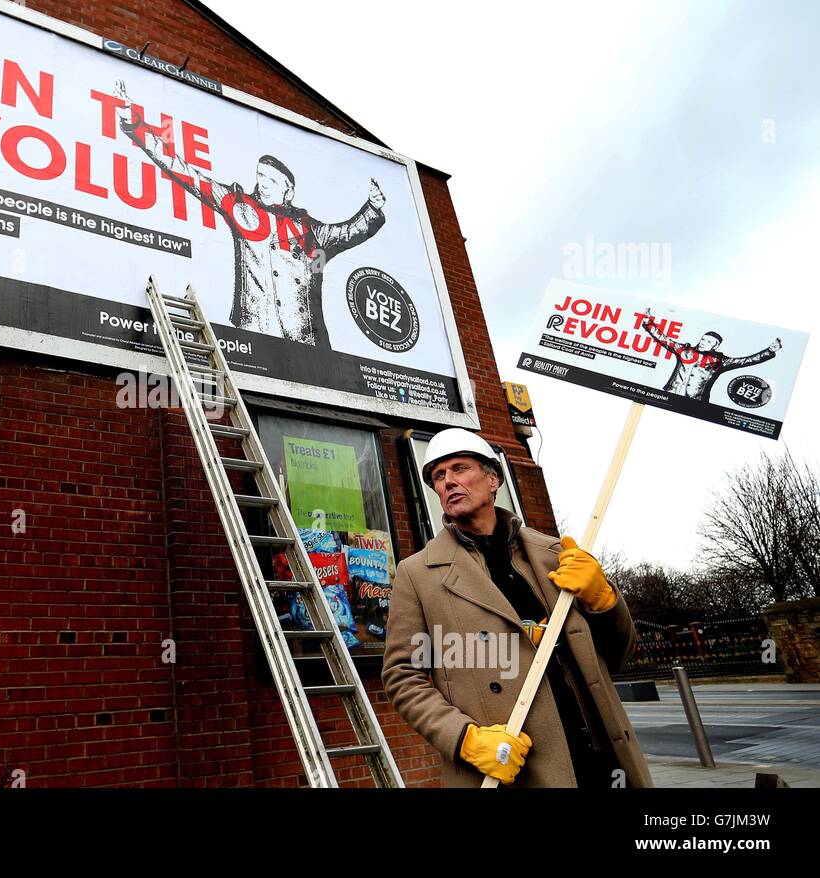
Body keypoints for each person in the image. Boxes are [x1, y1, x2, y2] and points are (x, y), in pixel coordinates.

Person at [380, 428, 653, 787]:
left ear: (493, 479)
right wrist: (464, 738)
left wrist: (604, 600)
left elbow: (617, 656)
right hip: (513, 765)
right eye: (438, 477)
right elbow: (403, 677)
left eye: (459, 469)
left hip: (599, 754)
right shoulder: (418, 574)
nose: (448, 482)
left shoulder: (554, 554)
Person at [114, 80, 385, 347]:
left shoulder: (310, 228)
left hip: (306, 341)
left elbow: (349, 231)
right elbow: (185, 172)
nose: (263, 183)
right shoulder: (239, 205)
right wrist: (135, 126)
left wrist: (372, 207)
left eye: (272, 180)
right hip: (254, 334)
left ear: (288, 191)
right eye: (260, 176)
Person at [643, 308, 781, 403]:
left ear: (715, 346)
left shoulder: (720, 361)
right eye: (703, 339)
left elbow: (746, 361)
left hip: (695, 403)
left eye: (708, 341)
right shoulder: (683, 350)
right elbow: (663, 338)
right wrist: (648, 322)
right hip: (670, 394)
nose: (703, 342)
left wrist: (769, 351)